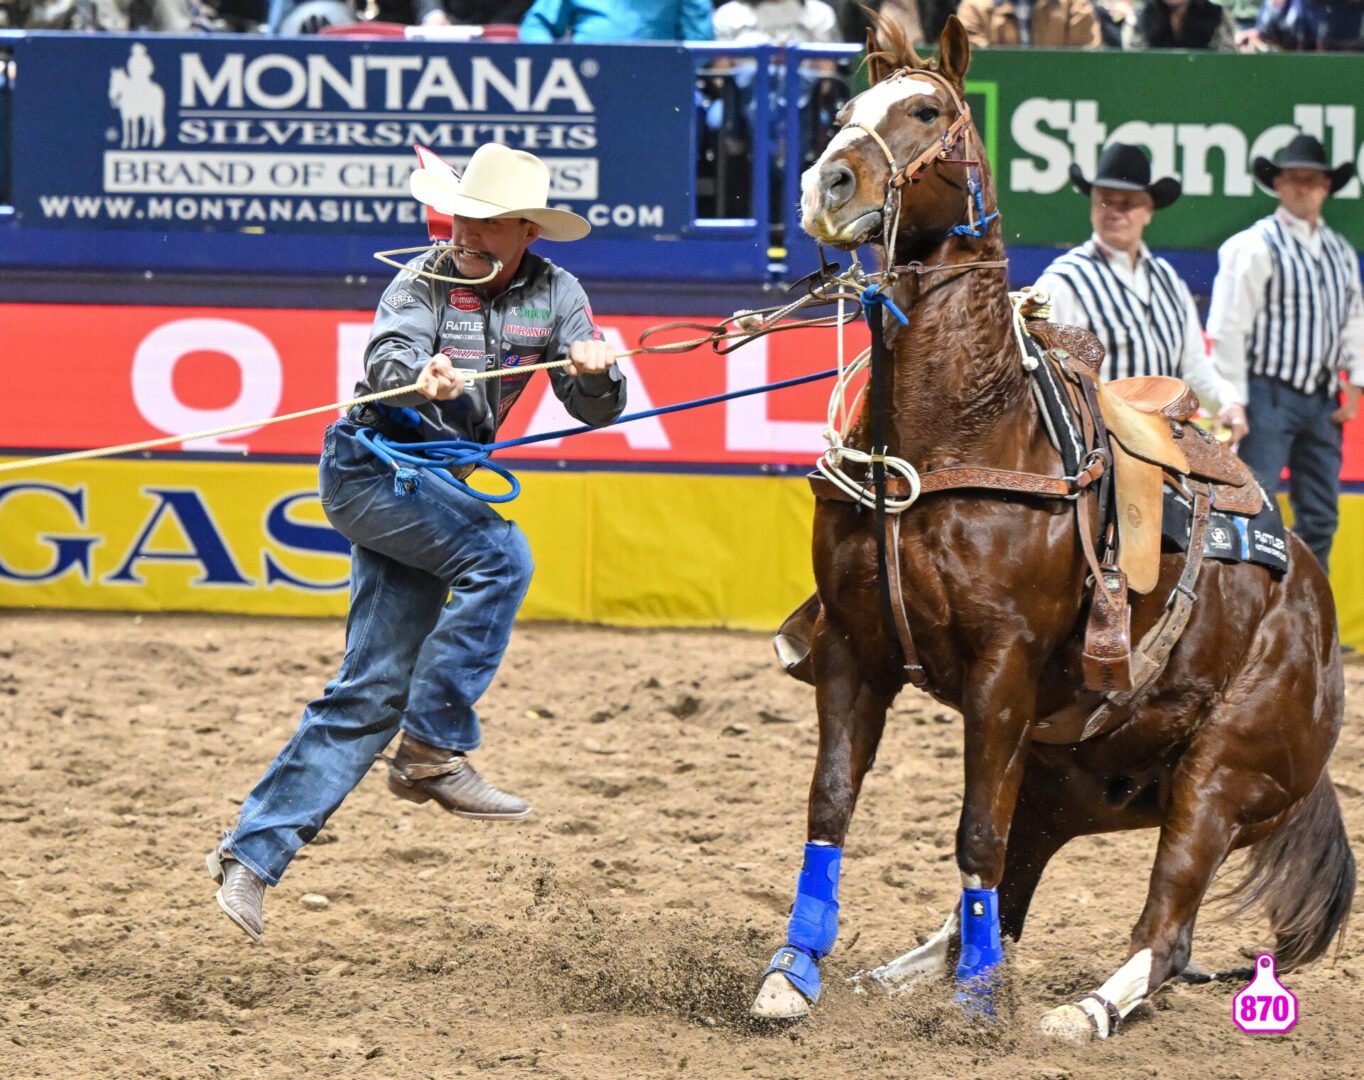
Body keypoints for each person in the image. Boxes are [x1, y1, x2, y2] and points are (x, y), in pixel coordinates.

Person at [206, 143, 626, 943]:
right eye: (462, 215)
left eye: (487, 222)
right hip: (372, 469)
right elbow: (391, 356)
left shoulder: (559, 295)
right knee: (501, 556)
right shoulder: (420, 280)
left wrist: (599, 372)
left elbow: (591, 404)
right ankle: (433, 750)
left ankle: (251, 858)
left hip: (432, 487)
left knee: (370, 688)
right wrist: (417, 376)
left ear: (523, 232)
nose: (465, 231)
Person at [1207, 132, 1363, 574]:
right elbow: (1228, 327)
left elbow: (1354, 319)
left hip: (1322, 398)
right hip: (1266, 394)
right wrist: (1233, 399)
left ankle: (1311, 619)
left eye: (1312, 180)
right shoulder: (1254, 246)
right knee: (1252, 506)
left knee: (1321, 515)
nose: (1303, 188)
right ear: (1277, 184)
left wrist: (1356, 383)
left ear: (1327, 187)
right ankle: (1246, 614)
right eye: (1294, 178)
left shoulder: (1339, 251)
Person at [1035, 142, 1246, 438]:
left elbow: (1194, 367)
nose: (1114, 212)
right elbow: (1048, 378)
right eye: (1105, 201)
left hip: (1168, 441)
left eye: (1127, 203)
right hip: (1101, 447)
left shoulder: (1168, 281)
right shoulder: (1064, 281)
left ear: (1148, 211)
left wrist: (1228, 401)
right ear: (1092, 205)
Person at [519, 0, 712, 41]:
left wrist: (667, 70)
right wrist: (556, 68)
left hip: (661, 86)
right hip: (581, 83)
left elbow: (700, 41)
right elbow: (536, 26)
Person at [954, 0, 1102, 46]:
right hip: (998, 95)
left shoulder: (1073, 5)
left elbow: (1086, 61)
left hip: (1061, 96)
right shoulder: (975, 6)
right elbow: (973, 61)